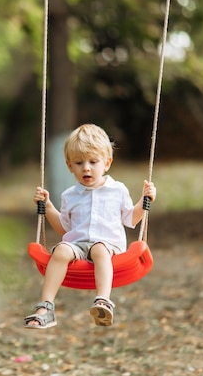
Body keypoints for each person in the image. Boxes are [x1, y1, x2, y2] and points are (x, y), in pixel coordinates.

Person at [24, 124, 157, 328]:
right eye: (79, 162)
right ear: (69, 166)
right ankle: (46, 307)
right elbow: (64, 229)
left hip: (108, 246)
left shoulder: (117, 190)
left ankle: (103, 300)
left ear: (107, 163)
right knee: (60, 250)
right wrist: (48, 206)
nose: (86, 167)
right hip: (77, 245)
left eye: (93, 162)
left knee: (99, 249)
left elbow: (131, 219)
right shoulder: (69, 195)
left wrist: (145, 201)